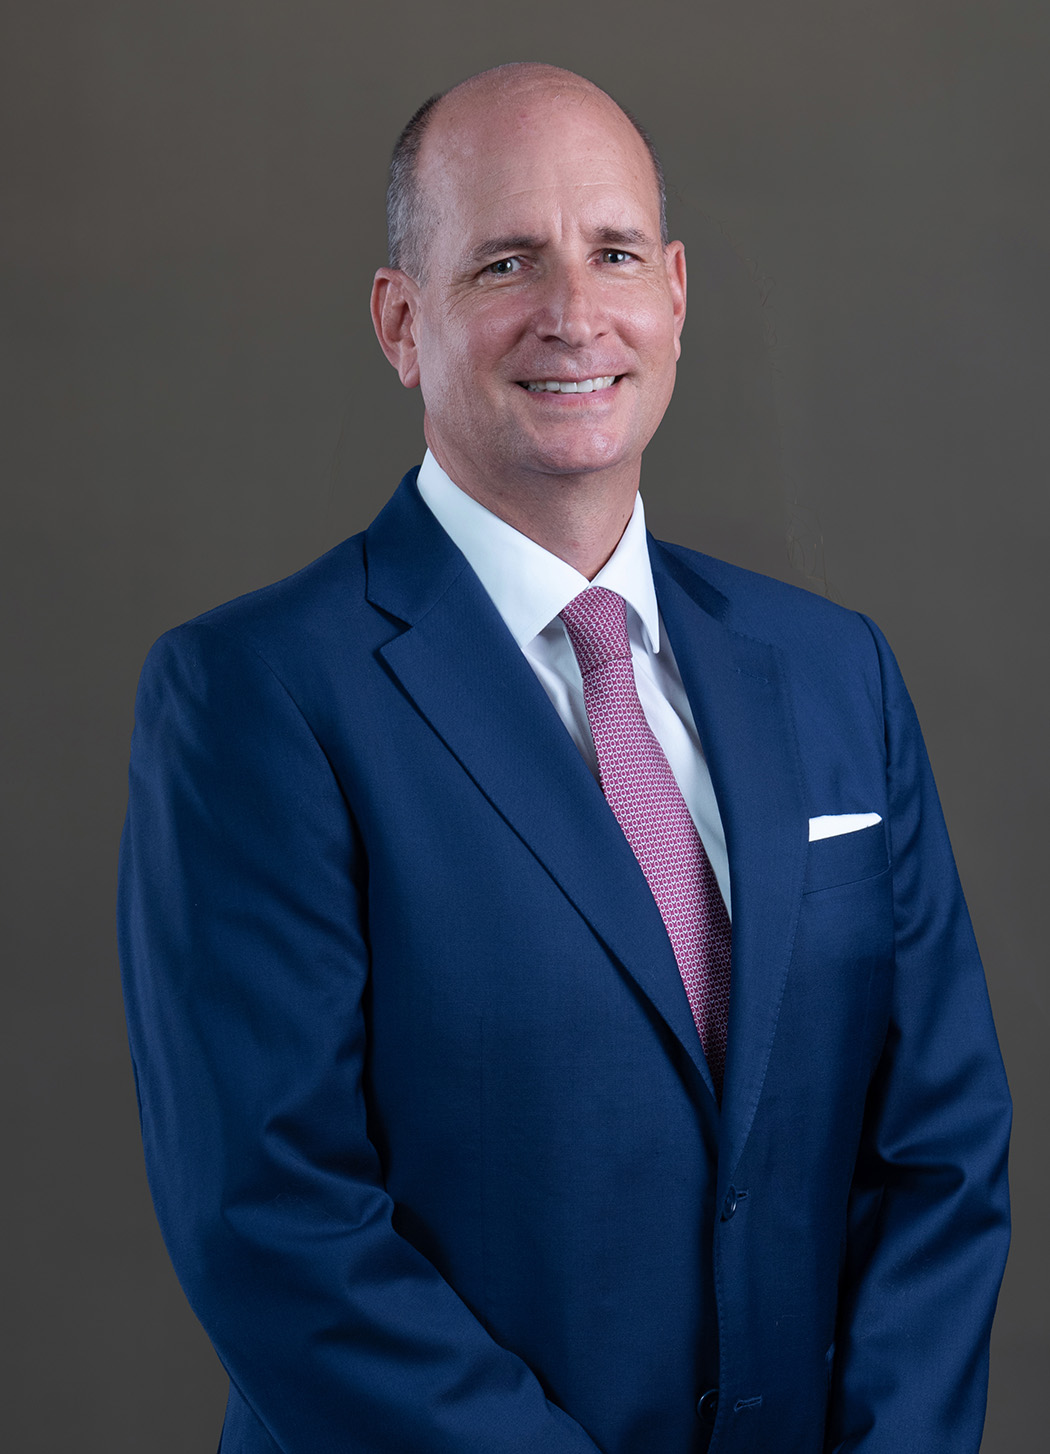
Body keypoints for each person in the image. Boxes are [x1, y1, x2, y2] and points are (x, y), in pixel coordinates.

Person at [118, 62, 1011, 1454]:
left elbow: (939, 1150)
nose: (574, 314)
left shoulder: (834, 670)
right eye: (505, 263)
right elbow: (274, 1222)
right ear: (399, 321)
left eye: (612, 253)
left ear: (675, 295)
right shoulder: (255, 695)